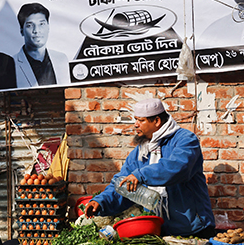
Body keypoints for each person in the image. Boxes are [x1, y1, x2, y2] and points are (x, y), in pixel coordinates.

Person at [84, 98, 215, 237]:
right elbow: (123, 183)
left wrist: (140, 176)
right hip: (158, 230)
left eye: (141, 120)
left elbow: (177, 167)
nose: (136, 125)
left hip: (193, 229)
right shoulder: (141, 152)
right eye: (135, 120)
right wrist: (101, 202)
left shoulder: (185, 140)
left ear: (157, 121)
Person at [13, 3, 70, 88]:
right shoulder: (12, 64)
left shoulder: (62, 59)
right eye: (30, 25)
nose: (36, 30)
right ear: (21, 30)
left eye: (41, 24)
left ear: (48, 27)